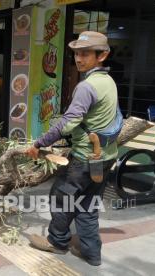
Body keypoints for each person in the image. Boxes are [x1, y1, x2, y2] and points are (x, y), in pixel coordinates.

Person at [24, 31, 118, 266]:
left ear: (102, 55)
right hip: (106, 157)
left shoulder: (87, 86)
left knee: (61, 198)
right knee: (88, 204)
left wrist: (39, 143)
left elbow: (69, 122)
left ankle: (57, 242)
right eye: (76, 53)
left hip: (86, 158)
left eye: (85, 54)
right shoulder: (109, 82)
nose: (78, 58)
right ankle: (91, 253)